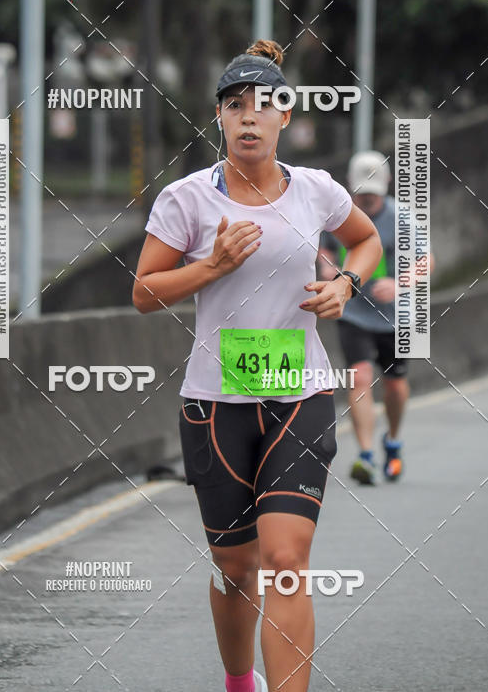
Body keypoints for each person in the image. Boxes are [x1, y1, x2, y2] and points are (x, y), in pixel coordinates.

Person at [132, 40, 382, 692]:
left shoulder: (316, 192)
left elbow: (367, 240)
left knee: (286, 560)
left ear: (285, 117)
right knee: (236, 568)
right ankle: (240, 680)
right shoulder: (186, 200)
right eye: (235, 105)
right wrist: (211, 266)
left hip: (299, 393)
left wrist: (346, 286)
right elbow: (143, 293)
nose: (249, 117)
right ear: (218, 117)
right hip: (215, 402)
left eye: (263, 106)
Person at [317, 151, 434, 485]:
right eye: (362, 193)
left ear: (386, 188)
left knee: (395, 384)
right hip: (353, 312)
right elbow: (324, 246)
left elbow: (426, 261)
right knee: (360, 376)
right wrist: (326, 265)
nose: (367, 199)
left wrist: (400, 284)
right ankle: (365, 455)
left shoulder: (403, 218)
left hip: (396, 317)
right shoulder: (340, 214)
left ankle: (392, 441)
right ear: (352, 189)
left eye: (374, 193)